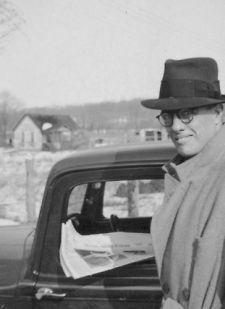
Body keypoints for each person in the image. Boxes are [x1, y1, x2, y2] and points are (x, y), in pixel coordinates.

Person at [141, 57, 225, 309]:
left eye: (187, 114)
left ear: (219, 113)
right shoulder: (187, 169)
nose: (176, 127)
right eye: (169, 116)